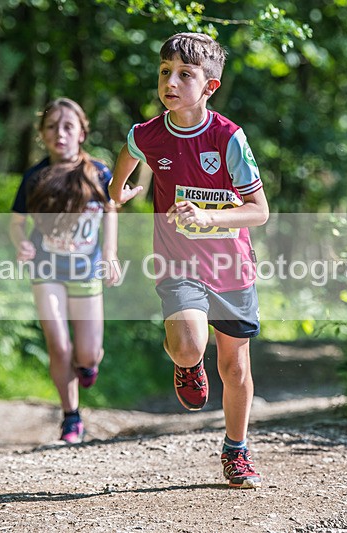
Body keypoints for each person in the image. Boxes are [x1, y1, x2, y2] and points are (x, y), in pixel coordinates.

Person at [110, 33, 269, 488]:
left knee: (234, 367)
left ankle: (236, 450)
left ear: (209, 86)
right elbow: (128, 153)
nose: (171, 82)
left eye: (185, 74)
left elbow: (259, 211)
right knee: (188, 346)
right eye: (165, 72)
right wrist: (117, 191)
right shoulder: (148, 134)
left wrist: (207, 216)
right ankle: (186, 363)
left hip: (230, 266)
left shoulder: (228, 138)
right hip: (177, 262)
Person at [9, 97, 118, 444]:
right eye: (52, 127)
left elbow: (111, 211)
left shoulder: (99, 173)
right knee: (58, 345)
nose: (60, 134)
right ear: (42, 134)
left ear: (82, 133)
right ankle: (71, 417)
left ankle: (88, 365)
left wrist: (110, 254)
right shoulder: (35, 177)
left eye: (68, 127)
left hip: (86, 270)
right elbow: (16, 222)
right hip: (47, 268)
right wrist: (21, 244)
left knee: (87, 353)